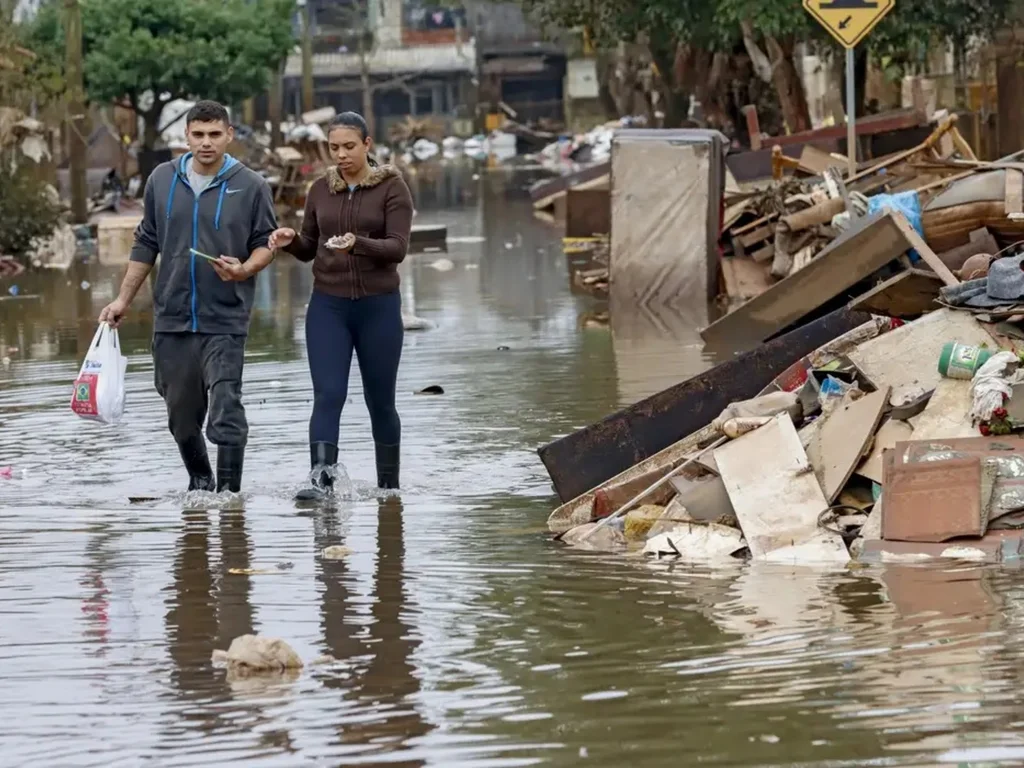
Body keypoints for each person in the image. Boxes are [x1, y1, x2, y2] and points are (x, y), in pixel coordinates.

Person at [98, 100, 278, 494]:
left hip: (225, 318)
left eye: (215, 134)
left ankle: (229, 498)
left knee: (226, 407)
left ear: (229, 135)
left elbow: (265, 243)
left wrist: (245, 269)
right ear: (187, 137)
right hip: (172, 318)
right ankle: (200, 482)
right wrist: (122, 300)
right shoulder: (162, 179)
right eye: (198, 135)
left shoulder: (252, 185)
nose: (206, 142)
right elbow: (146, 241)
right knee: (181, 416)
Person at [268, 112, 413, 501]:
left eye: (349, 146)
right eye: (334, 148)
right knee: (328, 394)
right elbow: (308, 247)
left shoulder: (392, 188)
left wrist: (357, 243)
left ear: (367, 144)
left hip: (378, 308)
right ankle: (321, 481)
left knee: (380, 401)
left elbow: (397, 248)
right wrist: (290, 240)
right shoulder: (320, 189)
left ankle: (389, 490)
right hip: (328, 307)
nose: (341, 155)